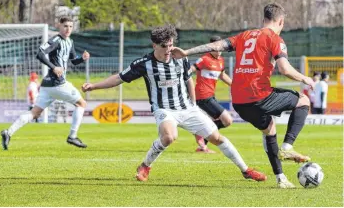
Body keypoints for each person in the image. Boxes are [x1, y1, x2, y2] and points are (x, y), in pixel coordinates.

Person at [81, 24, 266, 182]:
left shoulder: (180, 58)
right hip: (164, 108)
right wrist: (94, 86)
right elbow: (119, 78)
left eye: (171, 44)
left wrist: (193, 104)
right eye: (164, 46)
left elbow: (188, 80)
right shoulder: (144, 63)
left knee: (217, 138)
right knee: (169, 137)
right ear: (154, 45)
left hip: (186, 107)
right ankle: (145, 166)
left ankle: (245, 170)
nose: (169, 49)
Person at [171, 3, 315, 188]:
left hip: (239, 101)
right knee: (303, 100)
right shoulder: (275, 39)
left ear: (263, 19)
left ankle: (281, 179)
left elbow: (217, 44)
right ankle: (287, 148)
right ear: (281, 21)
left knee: (269, 129)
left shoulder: (244, 35)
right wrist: (305, 79)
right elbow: (284, 68)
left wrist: (187, 52)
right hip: (259, 95)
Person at [0, 16, 90, 150]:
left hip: (47, 86)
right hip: (58, 84)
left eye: (70, 26)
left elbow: (73, 60)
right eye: (65, 26)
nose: (68, 29)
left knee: (35, 112)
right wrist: (54, 67)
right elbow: (40, 54)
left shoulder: (69, 42)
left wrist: (82, 59)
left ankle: (8, 132)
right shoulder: (55, 40)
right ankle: (72, 136)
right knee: (81, 103)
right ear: (59, 26)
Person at [191, 35, 233, 153]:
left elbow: (222, 75)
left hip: (210, 96)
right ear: (210, 48)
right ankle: (202, 135)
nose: (219, 51)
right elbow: (192, 69)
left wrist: (235, 86)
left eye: (221, 49)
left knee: (224, 122)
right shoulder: (204, 59)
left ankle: (202, 141)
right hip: (202, 96)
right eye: (216, 49)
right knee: (227, 120)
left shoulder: (220, 61)